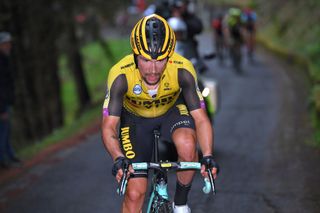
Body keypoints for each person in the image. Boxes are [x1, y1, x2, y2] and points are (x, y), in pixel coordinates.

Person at [101, 14, 218, 213]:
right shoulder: (121, 75)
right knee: (135, 194)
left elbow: (200, 118)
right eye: (146, 60)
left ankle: (180, 203)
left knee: (189, 147)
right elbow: (109, 126)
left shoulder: (182, 69)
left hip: (171, 111)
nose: (153, 69)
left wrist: (207, 156)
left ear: (170, 55)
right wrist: (118, 157)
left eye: (160, 60)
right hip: (135, 120)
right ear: (135, 55)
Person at [0, 32, 20, 169]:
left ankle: (10, 155)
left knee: (6, 131)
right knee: (3, 131)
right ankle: (4, 160)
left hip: (6, 101)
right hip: (2, 103)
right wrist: (1, 109)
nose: (9, 46)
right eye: (6, 43)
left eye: (9, 43)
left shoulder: (5, 59)